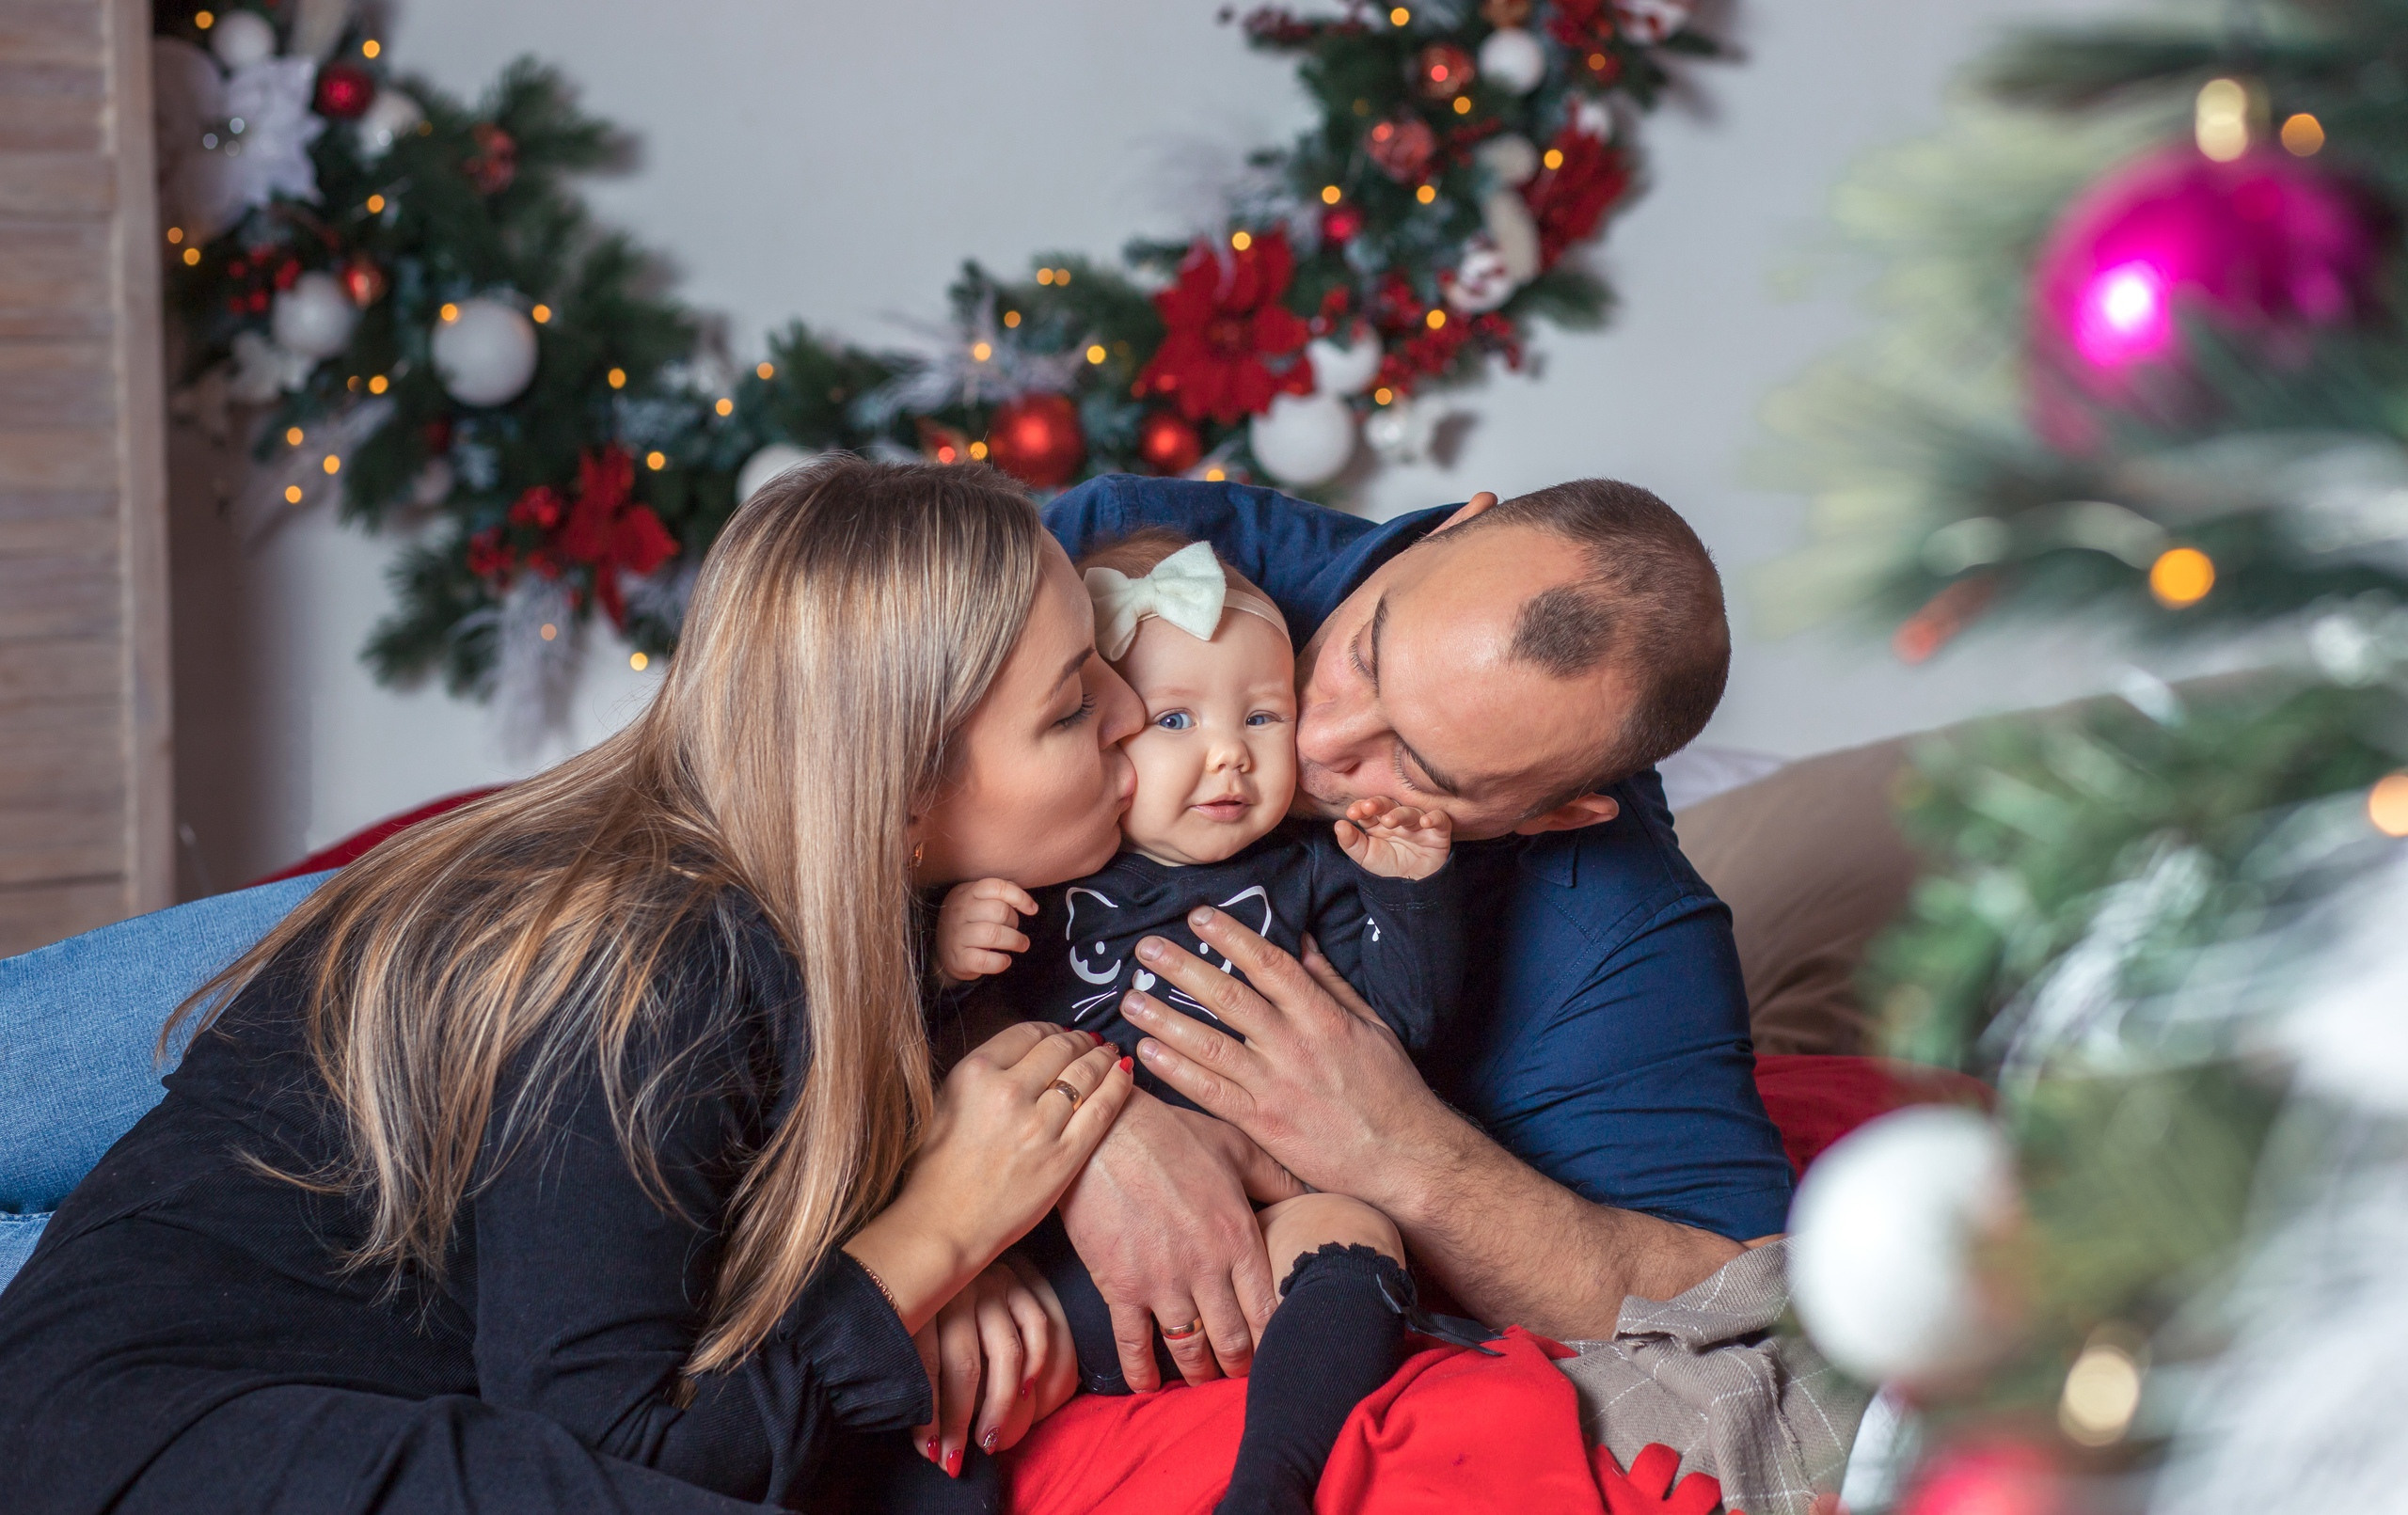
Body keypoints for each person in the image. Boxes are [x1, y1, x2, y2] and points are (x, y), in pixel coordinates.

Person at [0, 458, 1153, 1515]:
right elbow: (621, 1451)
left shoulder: (843, 908)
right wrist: (934, 1238)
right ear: (897, 792)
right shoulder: (662, 966)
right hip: (160, 1431)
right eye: (1068, 707)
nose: (1133, 714)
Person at [1038, 474, 1797, 1394]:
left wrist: (1393, 1153)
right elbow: (853, 809)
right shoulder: (1145, 553)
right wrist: (1079, 1126)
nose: (1315, 740)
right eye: (1367, 655)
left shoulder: (1624, 935)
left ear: (1557, 815)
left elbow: (1737, 1294)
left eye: (1412, 762)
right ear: (1452, 528)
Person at [935, 531, 1469, 1515]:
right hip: (1056, 1246)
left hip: (1250, 1245)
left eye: (1262, 715)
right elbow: (943, 1066)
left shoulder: (1315, 870)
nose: (1228, 753)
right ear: (1098, 726)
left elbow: (1401, 1033)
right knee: (963, 1328)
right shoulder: (1046, 872)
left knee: (1353, 1229)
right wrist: (947, 954)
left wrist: (1411, 899)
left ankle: (1271, 1485)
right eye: (1175, 717)